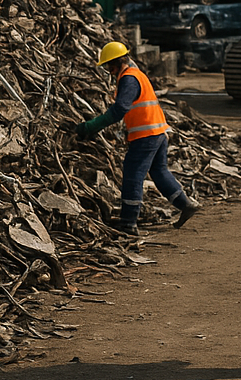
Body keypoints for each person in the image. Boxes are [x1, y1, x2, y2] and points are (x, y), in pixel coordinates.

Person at [75, 41, 200, 236]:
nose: (109, 70)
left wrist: (90, 127)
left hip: (145, 136)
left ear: (117, 62)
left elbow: (119, 109)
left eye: (109, 65)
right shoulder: (137, 75)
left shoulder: (129, 79)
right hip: (159, 132)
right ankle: (185, 204)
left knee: (133, 175)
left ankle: (128, 223)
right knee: (159, 171)